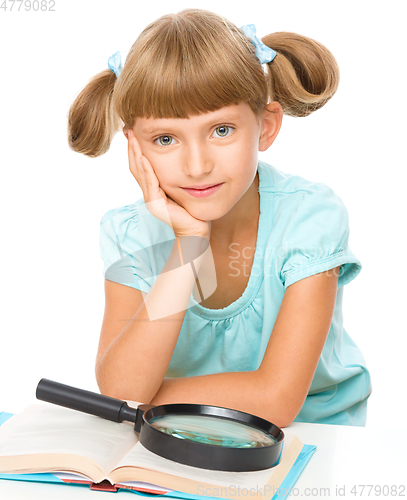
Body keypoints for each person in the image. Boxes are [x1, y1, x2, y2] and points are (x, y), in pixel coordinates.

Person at [67, 9, 371, 427]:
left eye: (221, 130)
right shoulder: (129, 234)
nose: (197, 165)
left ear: (265, 126)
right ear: (134, 147)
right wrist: (188, 243)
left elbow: (277, 400)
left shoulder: (309, 217)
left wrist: (145, 400)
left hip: (313, 437)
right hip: (187, 434)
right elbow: (121, 387)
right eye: (166, 139)